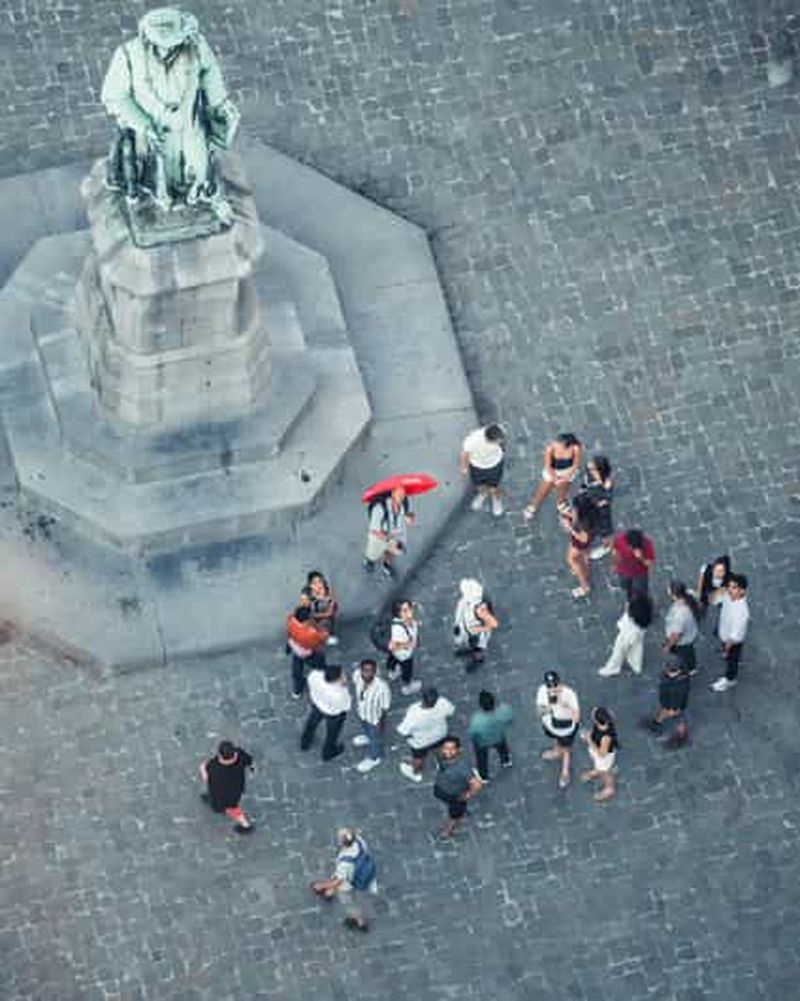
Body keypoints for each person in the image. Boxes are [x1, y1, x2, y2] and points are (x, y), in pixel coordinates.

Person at [311, 827, 377, 932]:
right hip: (359, 872)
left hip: (348, 884)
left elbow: (339, 881)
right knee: (336, 878)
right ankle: (329, 893)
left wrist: (321, 886)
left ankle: (360, 922)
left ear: (342, 842)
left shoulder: (345, 864)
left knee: (349, 903)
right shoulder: (359, 841)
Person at [397, 686, 455, 783]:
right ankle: (442, 766)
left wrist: (408, 738)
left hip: (420, 742)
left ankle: (416, 773)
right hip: (440, 735)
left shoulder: (414, 712)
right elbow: (451, 711)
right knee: (439, 750)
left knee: (418, 758)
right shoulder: (442, 702)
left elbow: (403, 731)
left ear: (423, 698)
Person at [199, 740, 255, 834]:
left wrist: (202, 768)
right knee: (230, 804)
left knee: (228, 808)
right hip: (237, 789)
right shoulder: (240, 754)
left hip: (222, 795)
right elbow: (250, 762)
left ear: (220, 755)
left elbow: (206, 778)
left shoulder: (214, 768)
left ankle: (246, 825)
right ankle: (214, 801)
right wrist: (252, 769)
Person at [536, 671, 580, 789]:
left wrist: (566, 705)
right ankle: (556, 751)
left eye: (555, 685)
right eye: (550, 686)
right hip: (550, 726)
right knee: (556, 739)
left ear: (560, 682)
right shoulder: (542, 691)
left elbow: (577, 718)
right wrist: (549, 707)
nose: (553, 689)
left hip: (566, 730)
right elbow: (539, 712)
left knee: (565, 749)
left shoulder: (570, 694)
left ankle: (565, 773)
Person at [433, 736, 483, 839]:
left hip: (455, 795)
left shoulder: (463, 767)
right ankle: (461, 810)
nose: (448, 751)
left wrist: (467, 795)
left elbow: (477, 784)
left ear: (459, 750)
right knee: (451, 804)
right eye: (446, 748)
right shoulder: (440, 756)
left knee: (455, 815)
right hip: (441, 789)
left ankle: (447, 832)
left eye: (452, 748)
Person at [523, 433, 582, 520]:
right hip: (552, 471)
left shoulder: (575, 448)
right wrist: (555, 478)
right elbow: (548, 466)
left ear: (567, 446)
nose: (555, 445)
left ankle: (560, 503)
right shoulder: (550, 448)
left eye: (559, 445)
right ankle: (533, 505)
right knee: (543, 489)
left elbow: (575, 464)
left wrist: (565, 477)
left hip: (567, 471)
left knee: (563, 489)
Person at [300, 663, 352, 761]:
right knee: (332, 734)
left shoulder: (314, 675)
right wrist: (344, 686)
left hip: (317, 705)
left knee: (311, 723)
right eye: (342, 675)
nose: (344, 675)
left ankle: (305, 743)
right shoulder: (339, 693)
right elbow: (345, 706)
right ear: (337, 679)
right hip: (333, 714)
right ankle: (328, 752)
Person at [363, 485, 415, 577]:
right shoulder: (379, 509)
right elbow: (373, 531)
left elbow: (408, 514)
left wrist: (410, 517)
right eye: (400, 495)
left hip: (395, 534)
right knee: (373, 554)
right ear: (393, 494)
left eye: (403, 495)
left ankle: (387, 564)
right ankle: (369, 561)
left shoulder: (404, 503)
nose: (402, 497)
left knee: (394, 551)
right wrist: (389, 540)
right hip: (379, 538)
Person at [709, 573, 750, 692]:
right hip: (724, 630)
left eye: (734, 587)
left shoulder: (742, 612)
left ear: (742, 590)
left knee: (731, 661)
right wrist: (719, 591)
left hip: (732, 641)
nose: (729, 590)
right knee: (732, 656)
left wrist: (726, 651)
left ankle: (729, 679)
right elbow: (712, 600)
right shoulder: (727, 594)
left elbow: (732, 639)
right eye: (729, 586)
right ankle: (733, 659)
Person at [598, 592, 653, 677]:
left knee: (618, 651)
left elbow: (625, 622)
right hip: (638, 633)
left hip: (627, 634)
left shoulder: (631, 618)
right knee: (637, 648)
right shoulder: (645, 614)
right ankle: (636, 665)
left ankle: (612, 668)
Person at [351, 658, 391, 774]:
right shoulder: (357, 676)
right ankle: (367, 737)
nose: (367, 673)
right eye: (364, 670)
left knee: (375, 738)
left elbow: (385, 707)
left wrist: (381, 723)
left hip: (374, 719)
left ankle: (374, 757)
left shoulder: (382, 688)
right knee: (366, 729)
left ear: (375, 671)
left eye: (370, 671)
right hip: (362, 713)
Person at [286, 588, 327, 698]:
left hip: (295, 648)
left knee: (297, 670)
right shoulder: (310, 634)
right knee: (320, 664)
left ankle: (297, 690)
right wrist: (322, 634)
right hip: (307, 652)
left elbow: (289, 632)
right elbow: (316, 644)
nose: (303, 602)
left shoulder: (291, 619)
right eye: (302, 599)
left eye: (305, 599)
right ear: (305, 621)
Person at [459, 423, 506, 517]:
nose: (501, 442)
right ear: (489, 440)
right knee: (479, 485)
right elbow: (464, 454)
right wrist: (464, 468)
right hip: (477, 466)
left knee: (494, 486)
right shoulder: (472, 440)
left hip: (495, 465)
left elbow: (502, 444)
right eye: (498, 441)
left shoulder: (499, 430)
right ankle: (483, 494)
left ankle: (496, 499)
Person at [453, 578, 499, 670]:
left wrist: (479, 629)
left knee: (479, 644)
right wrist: (457, 623)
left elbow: (494, 624)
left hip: (476, 627)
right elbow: (459, 611)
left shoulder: (480, 609)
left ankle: (477, 656)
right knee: (463, 637)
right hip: (466, 626)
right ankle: (467, 648)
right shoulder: (464, 601)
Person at [642, 661, 690, 749]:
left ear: (679, 671)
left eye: (671, 671)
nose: (668, 673)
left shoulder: (681, 683)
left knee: (680, 719)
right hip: (667, 701)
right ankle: (657, 723)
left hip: (676, 705)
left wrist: (674, 708)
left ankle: (681, 736)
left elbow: (679, 697)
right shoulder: (670, 676)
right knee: (665, 710)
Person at [468, 690, 513, 781]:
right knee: (502, 748)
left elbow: (472, 734)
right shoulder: (504, 710)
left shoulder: (477, 719)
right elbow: (509, 720)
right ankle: (506, 761)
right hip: (499, 737)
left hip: (483, 742)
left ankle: (484, 776)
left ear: (481, 706)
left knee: (482, 758)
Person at [580, 707, 618, 802]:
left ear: (597, 721)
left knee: (605, 772)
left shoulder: (606, 737)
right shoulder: (601, 725)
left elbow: (602, 754)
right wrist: (589, 735)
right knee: (599, 767)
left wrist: (589, 740)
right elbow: (595, 733)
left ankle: (609, 787)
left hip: (603, 758)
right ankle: (597, 771)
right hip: (597, 754)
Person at [663, 581, 701, 676]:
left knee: (682, 656)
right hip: (690, 635)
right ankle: (692, 668)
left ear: (674, 595)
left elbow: (676, 635)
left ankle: (685, 670)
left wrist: (668, 645)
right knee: (689, 652)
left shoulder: (680, 615)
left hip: (682, 642)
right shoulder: (689, 596)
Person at [580, 455, 614, 560]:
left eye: (592, 468)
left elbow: (606, 500)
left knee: (605, 531)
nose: (588, 468)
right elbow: (585, 485)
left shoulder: (606, 484)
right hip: (589, 506)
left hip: (600, 512)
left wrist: (598, 502)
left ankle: (606, 547)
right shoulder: (589, 475)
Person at [386, 598, 422, 696]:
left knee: (393, 659)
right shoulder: (398, 628)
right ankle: (407, 686)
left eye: (410, 608)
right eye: (405, 610)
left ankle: (392, 672)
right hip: (405, 654)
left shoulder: (401, 620)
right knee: (407, 669)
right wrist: (409, 644)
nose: (410, 611)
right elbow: (393, 646)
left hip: (397, 654)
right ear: (399, 613)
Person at [562, 493, 595, 599]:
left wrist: (569, 528)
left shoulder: (584, 524)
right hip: (587, 541)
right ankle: (584, 569)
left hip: (579, 542)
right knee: (584, 554)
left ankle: (584, 586)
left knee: (571, 559)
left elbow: (583, 538)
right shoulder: (590, 514)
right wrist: (567, 515)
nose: (573, 509)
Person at [612, 528, 656, 597]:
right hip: (623, 571)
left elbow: (649, 563)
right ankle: (630, 599)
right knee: (626, 587)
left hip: (639, 574)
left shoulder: (647, 543)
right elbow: (615, 552)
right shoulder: (619, 540)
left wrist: (641, 558)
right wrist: (615, 563)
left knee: (640, 592)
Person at [695, 554, 731, 624]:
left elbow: (724, 589)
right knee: (703, 602)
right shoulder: (706, 568)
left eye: (721, 571)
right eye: (716, 570)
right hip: (707, 587)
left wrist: (714, 594)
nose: (717, 573)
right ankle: (702, 613)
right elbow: (700, 581)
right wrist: (699, 592)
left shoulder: (729, 578)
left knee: (723, 606)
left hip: (720, 591)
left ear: (726, 572)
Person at [306, 570, 338, 645]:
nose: (318, 585)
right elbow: (310, 614)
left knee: (328, 621)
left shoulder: (326, 590)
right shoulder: (309, 595)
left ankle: (329, 634)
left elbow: (332, 603)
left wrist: (329, 604)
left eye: (320, 582)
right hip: (317, 615)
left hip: (325, 612)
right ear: (310, 585)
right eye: (314, 583)